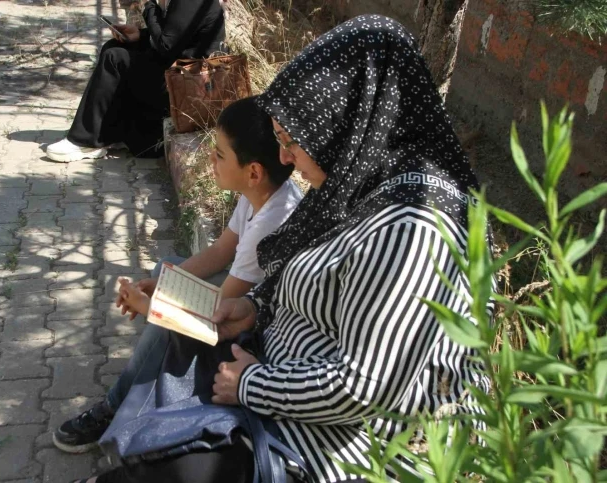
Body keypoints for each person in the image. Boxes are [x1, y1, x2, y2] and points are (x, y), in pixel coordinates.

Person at [73, 14, 492, 483]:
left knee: (165, 468)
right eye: (280, 139)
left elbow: (365, 388)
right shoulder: (358, 185)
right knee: (166, 395)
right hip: (276, 373)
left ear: (348, 125)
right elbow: (298, 277)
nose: (285, 157)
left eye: (293, 141)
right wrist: (253, 308)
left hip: (336, 439)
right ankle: (126, 428)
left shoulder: (413, 228)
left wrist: (253, 385)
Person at [53, 96, 303, 454]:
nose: (210, 160)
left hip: (257, 330)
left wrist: (153, 307)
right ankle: (153, 371)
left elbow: (218, 308)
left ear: (253, 172)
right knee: (166, 269)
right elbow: (220, 251)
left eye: (219, 155)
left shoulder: (271, 222)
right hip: (243, 302)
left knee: (166, 317)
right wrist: (162, 285)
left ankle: (115, 405)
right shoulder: (260, 192)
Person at [46, 0, 226, 162]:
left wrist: (148, 5)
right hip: (178, 74)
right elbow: (175, 34)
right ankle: (109, 133)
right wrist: (140, 35)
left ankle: (85, 140)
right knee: (115, 46)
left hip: (190, 88)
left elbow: (167, 45)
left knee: (115, 58)